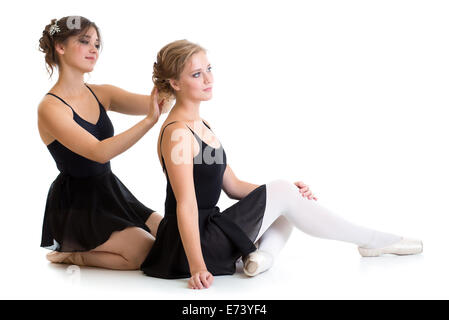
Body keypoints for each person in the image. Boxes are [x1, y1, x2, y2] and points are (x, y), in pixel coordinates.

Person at [140, 39, 423, 289]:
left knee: (286, 198)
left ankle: (262, 258)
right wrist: (197, 266)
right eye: (197, 74)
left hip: (209, 230)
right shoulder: (178, 133)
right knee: (283, 195)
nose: (208, 79)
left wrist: (286, 194)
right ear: (175, 83)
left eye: (209, 69)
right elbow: (186, 204)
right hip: (194, 244)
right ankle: (373, 240)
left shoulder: (200, 124)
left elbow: (233, 186)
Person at [38, 16, 164, 270]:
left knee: (169, 232)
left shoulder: (102, 93)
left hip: (111, 190)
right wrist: (151, 121)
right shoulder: (50, 107)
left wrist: (172, 75)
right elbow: (98, 152)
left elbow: (158, 104)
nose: (94, 49)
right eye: (85, 41)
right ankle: (73, 255)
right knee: (144, 251)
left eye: (97, 43)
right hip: (77, 203)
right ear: (60, 47)